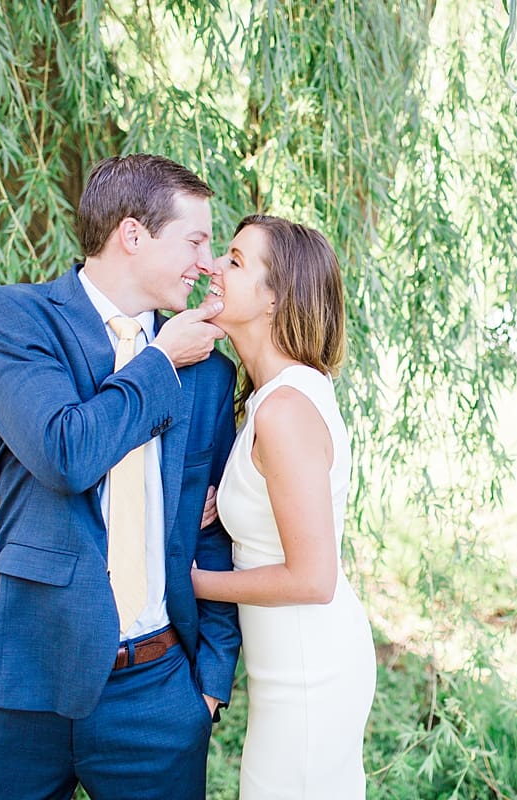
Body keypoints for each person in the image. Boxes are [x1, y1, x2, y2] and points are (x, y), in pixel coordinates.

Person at [0, 154, 242, 800]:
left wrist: (210, 686)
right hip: (20, 686)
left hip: (157, 693)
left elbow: (215, 533)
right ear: (132, 235)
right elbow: (65, 453)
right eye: (195, 239)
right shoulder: (11, 321)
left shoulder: (209, 374)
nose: (209, 262)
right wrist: (159, 360)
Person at [190, 214, 376, 799]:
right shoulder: (275, 396)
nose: (215, 266)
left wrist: (192, 581)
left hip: (309, 673)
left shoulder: (284, 410)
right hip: (289, 668)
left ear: (276, 300)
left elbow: (313, 577)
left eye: (237, 261)